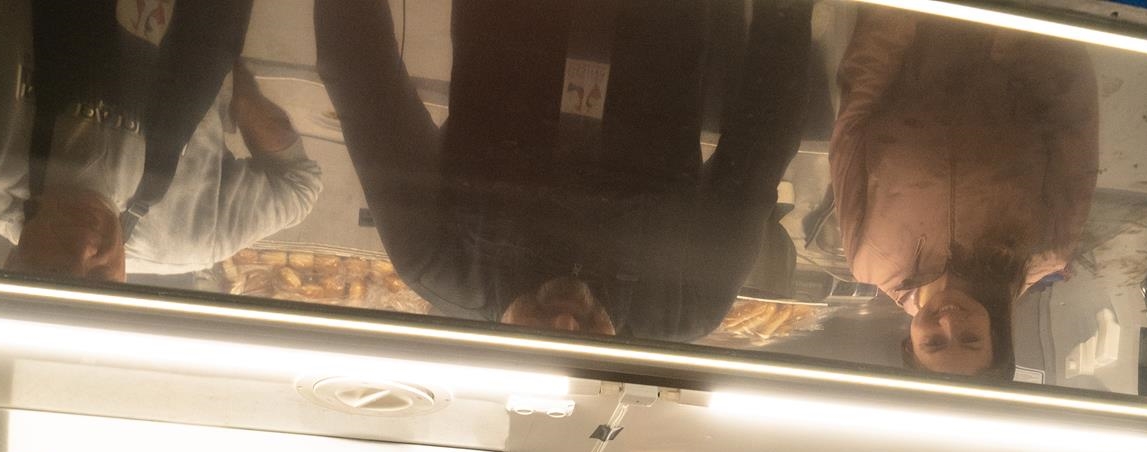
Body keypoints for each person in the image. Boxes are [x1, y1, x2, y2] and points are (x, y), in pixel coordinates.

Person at [314, 0, 815, 341]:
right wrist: (786, 13)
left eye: (537, 339)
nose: (564, 323)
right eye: (586, 346)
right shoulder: (682, 305)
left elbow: (364, 85)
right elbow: (760, 146)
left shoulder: (440, 261)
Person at [0, 0, 322, 279]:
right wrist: (244, 99)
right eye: (100, 277)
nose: (88, 250)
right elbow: (298, 187)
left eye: (59, 265)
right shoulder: (192, 238)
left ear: (13, 260)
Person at [829, 9, 1098, 379]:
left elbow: (852, 123)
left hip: (908, 21)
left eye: (934, 343)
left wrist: (894, 18)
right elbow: (1073, 119)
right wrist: (1009, 30)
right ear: (996, 336)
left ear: (910, 344)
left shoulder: (869, 260)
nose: (949, 322)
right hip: (1014, 19)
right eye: (971, 339)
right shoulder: (1046, 247)